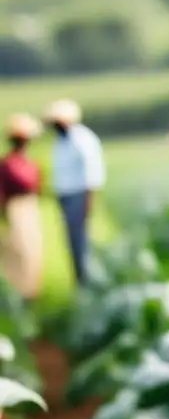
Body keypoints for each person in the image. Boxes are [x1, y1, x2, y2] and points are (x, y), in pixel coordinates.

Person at [43, 99, 105, 287]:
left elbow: (92, 172)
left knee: (82, 241)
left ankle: (88, 281)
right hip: (67, 197)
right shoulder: (61, 141)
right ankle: (80, 280)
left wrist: (88, 200)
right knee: (72, 241)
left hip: (79, 195)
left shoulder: (83, 139)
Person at [0, 114, 44, 299]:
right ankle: (20, 294)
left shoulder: (29, 163)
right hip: (16, 209)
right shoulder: (9, 164)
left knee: (33, 253)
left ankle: (31, 293)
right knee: (19, 253)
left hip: (30, 208)